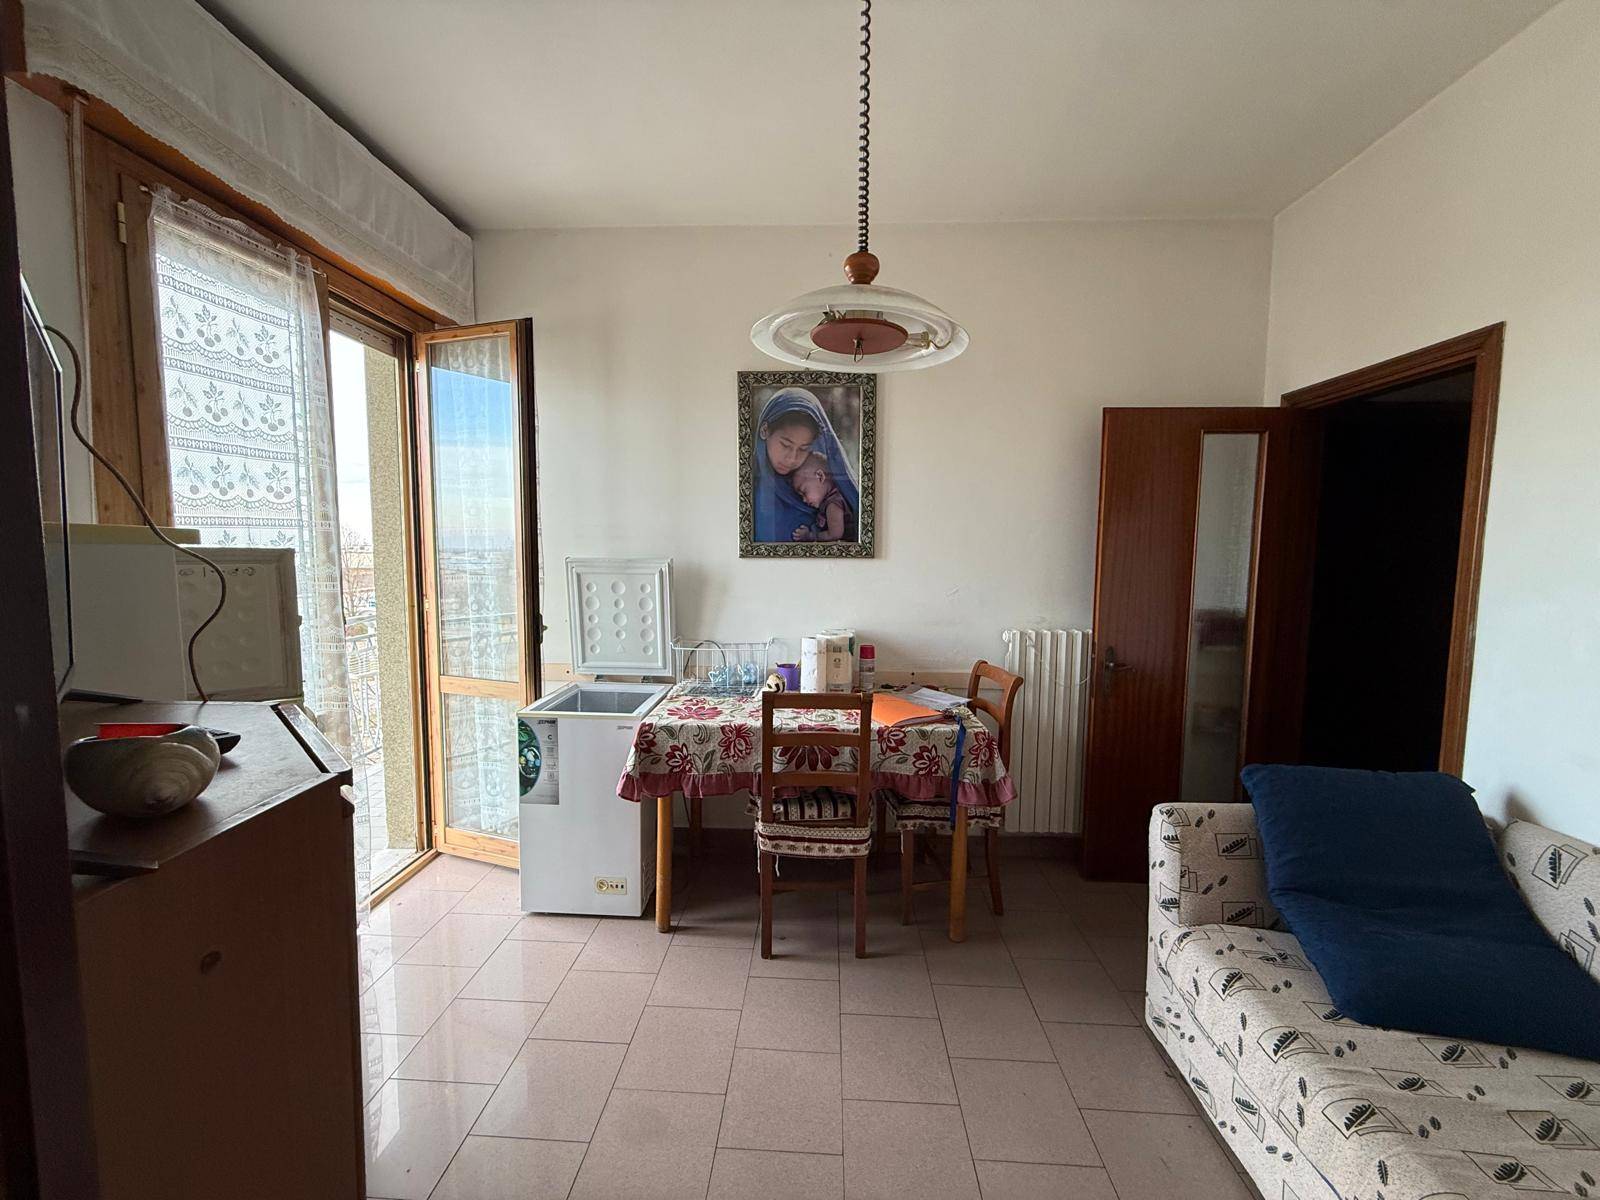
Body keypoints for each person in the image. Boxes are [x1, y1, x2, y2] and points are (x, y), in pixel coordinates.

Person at [752, 387, 859, 543]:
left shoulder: (822, 490)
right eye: (785, 445)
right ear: (764, 431)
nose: (792, 458)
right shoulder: (749, 487)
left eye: (803, 449)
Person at [790, 452, 849, 542]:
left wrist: (810, 536)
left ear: (820, 477)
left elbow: (835, 534)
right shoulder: (827, 500)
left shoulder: (833, 504)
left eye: (804, 492)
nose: (804, 500)